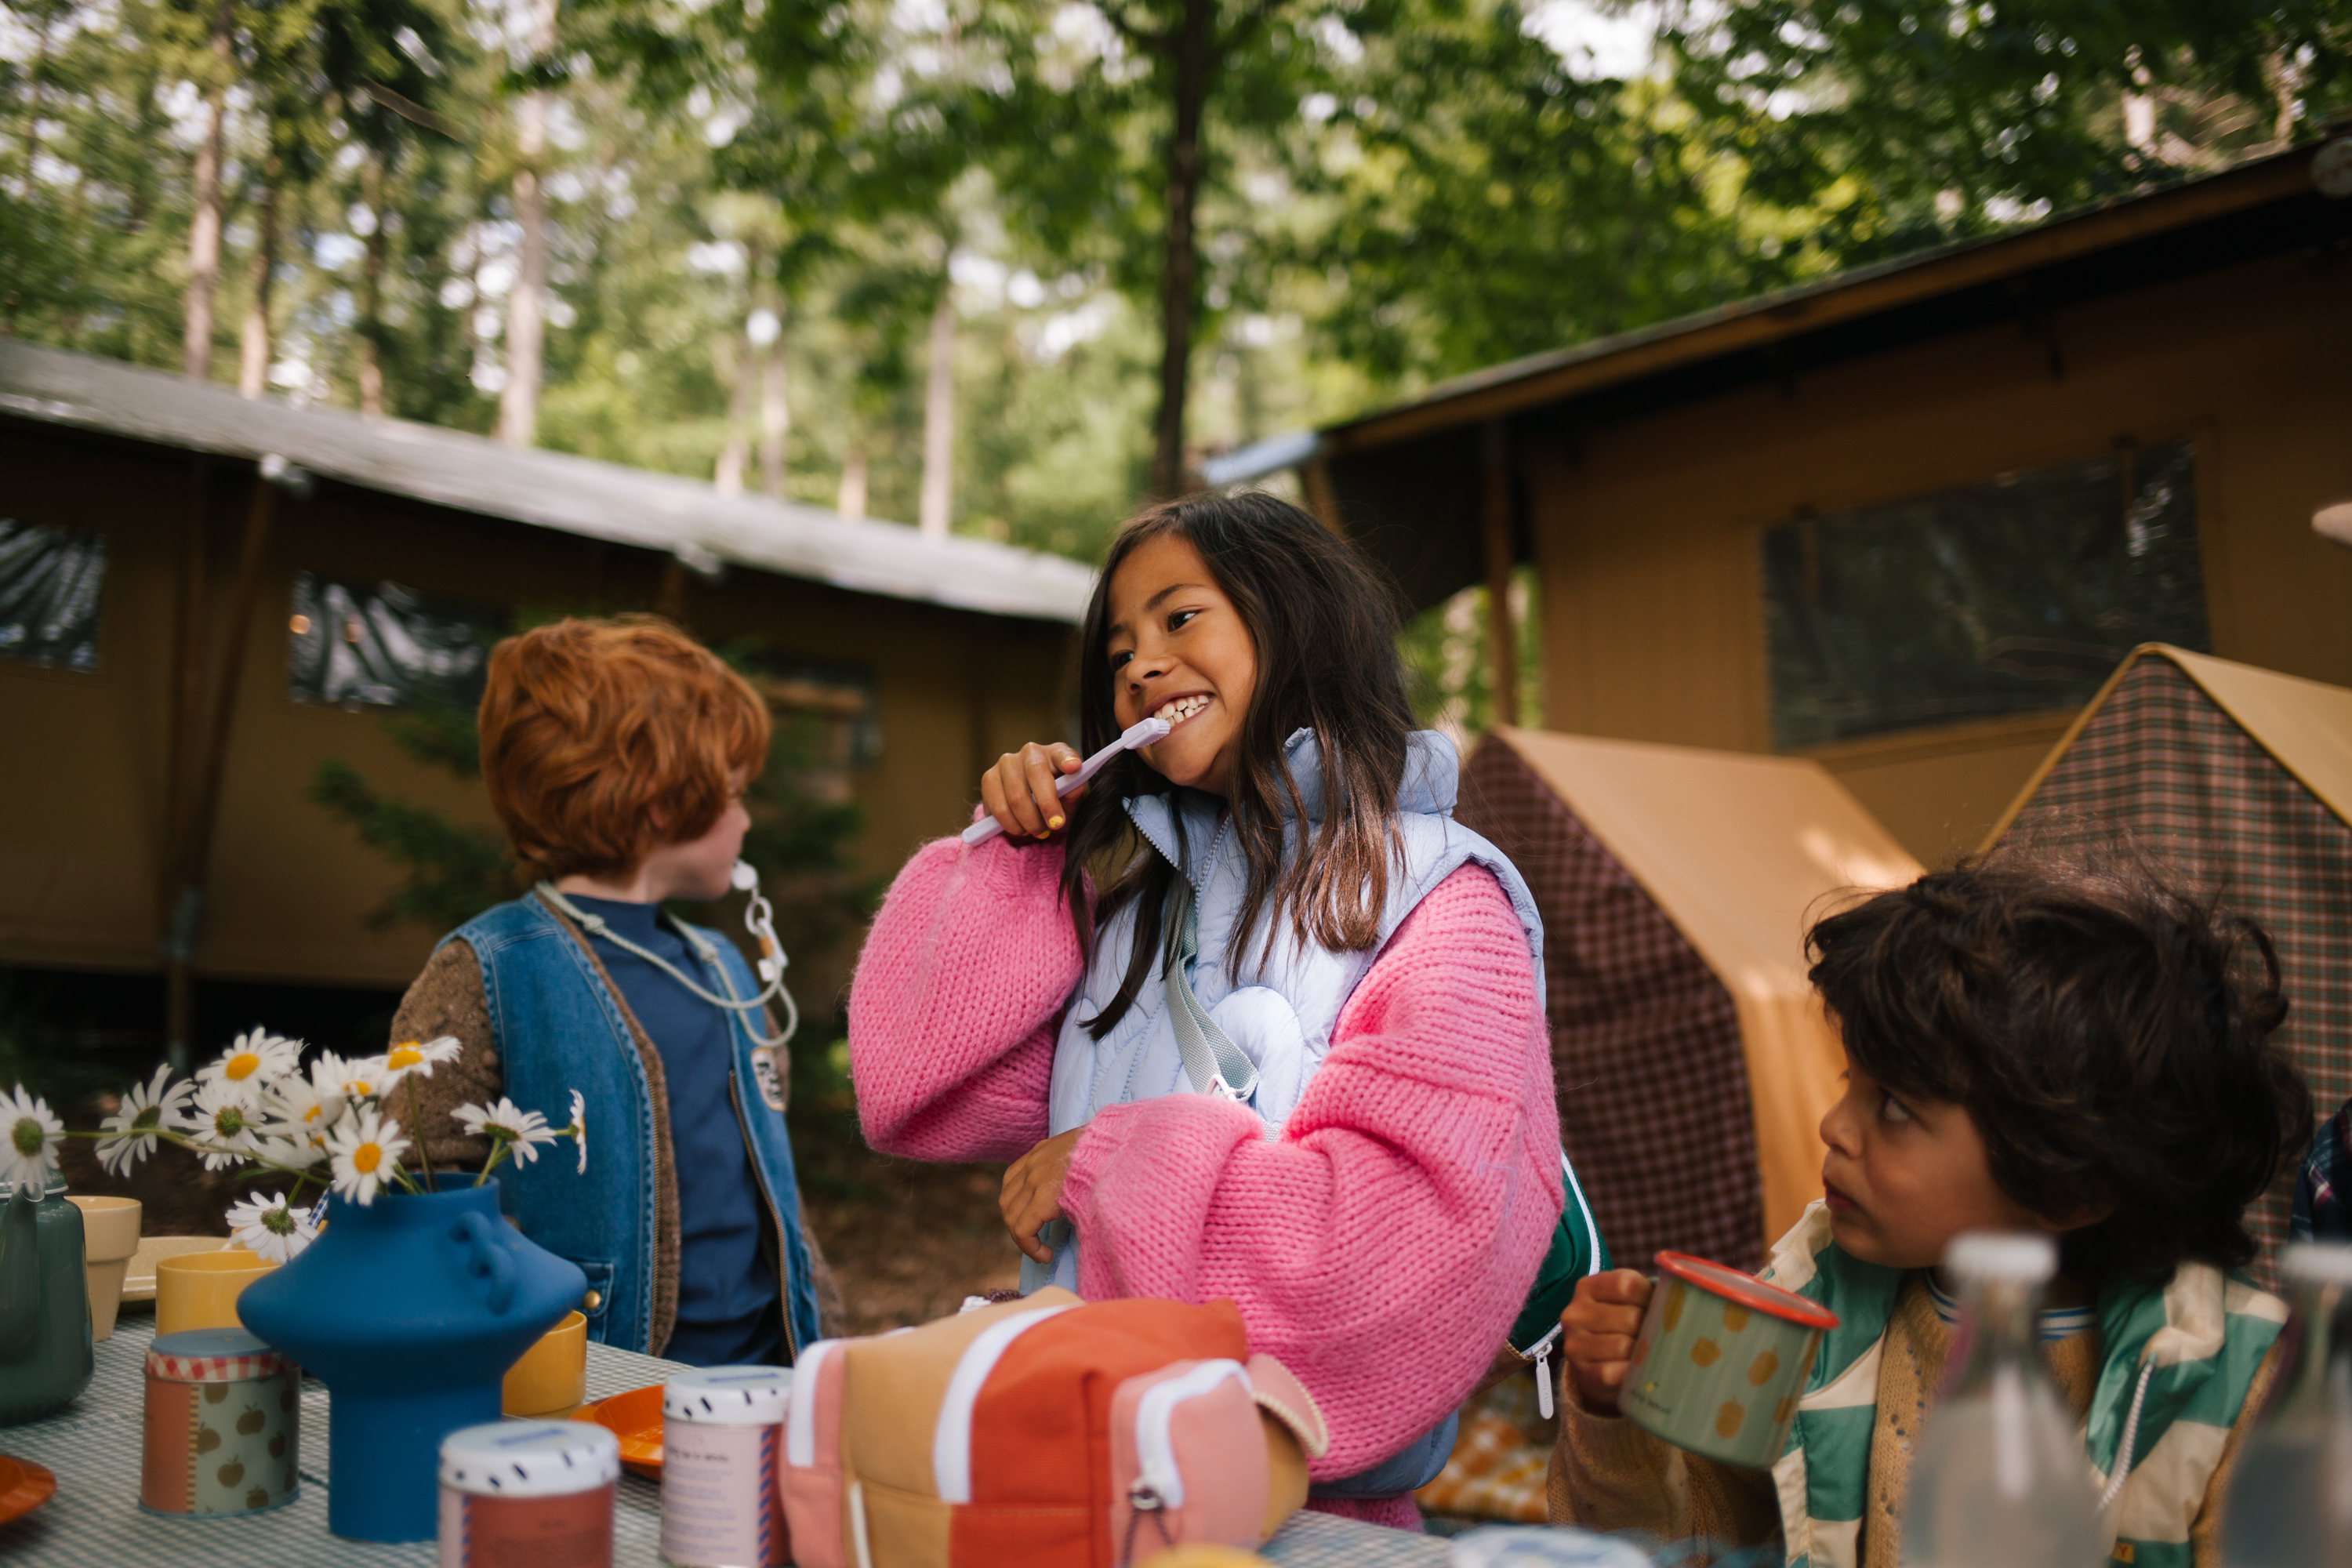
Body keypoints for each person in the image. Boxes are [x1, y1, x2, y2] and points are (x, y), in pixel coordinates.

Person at [848, 492, 1564, 1527]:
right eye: (1119, 649)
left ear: (1297, 619)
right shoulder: (1143, 908)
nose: (1139, 664)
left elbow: (1408, 1249)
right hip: (1084, 1484)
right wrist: (1020, 854)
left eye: (1181, 618)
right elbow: (921, 1093)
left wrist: (1119, 1162)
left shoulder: (1442, 903)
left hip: (1303, 1525)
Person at [1549, 850, 2314, 1567]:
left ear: (2074, 1184)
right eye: (1852, 1080)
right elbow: (1691, 1543)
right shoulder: (1807, 1303)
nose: (1833, 1126)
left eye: (1896, 1108)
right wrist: (1617, 1411)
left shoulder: (2238, 1382)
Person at [397, 615, 840, 1365]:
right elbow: (421, 1189)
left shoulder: (727, 969)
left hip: (768, 1380)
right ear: (662, 802)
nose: (747, 818)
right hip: (598, 1389)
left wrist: (829, 1338)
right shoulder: (489, 968)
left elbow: (775, 1198)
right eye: (733, 795)